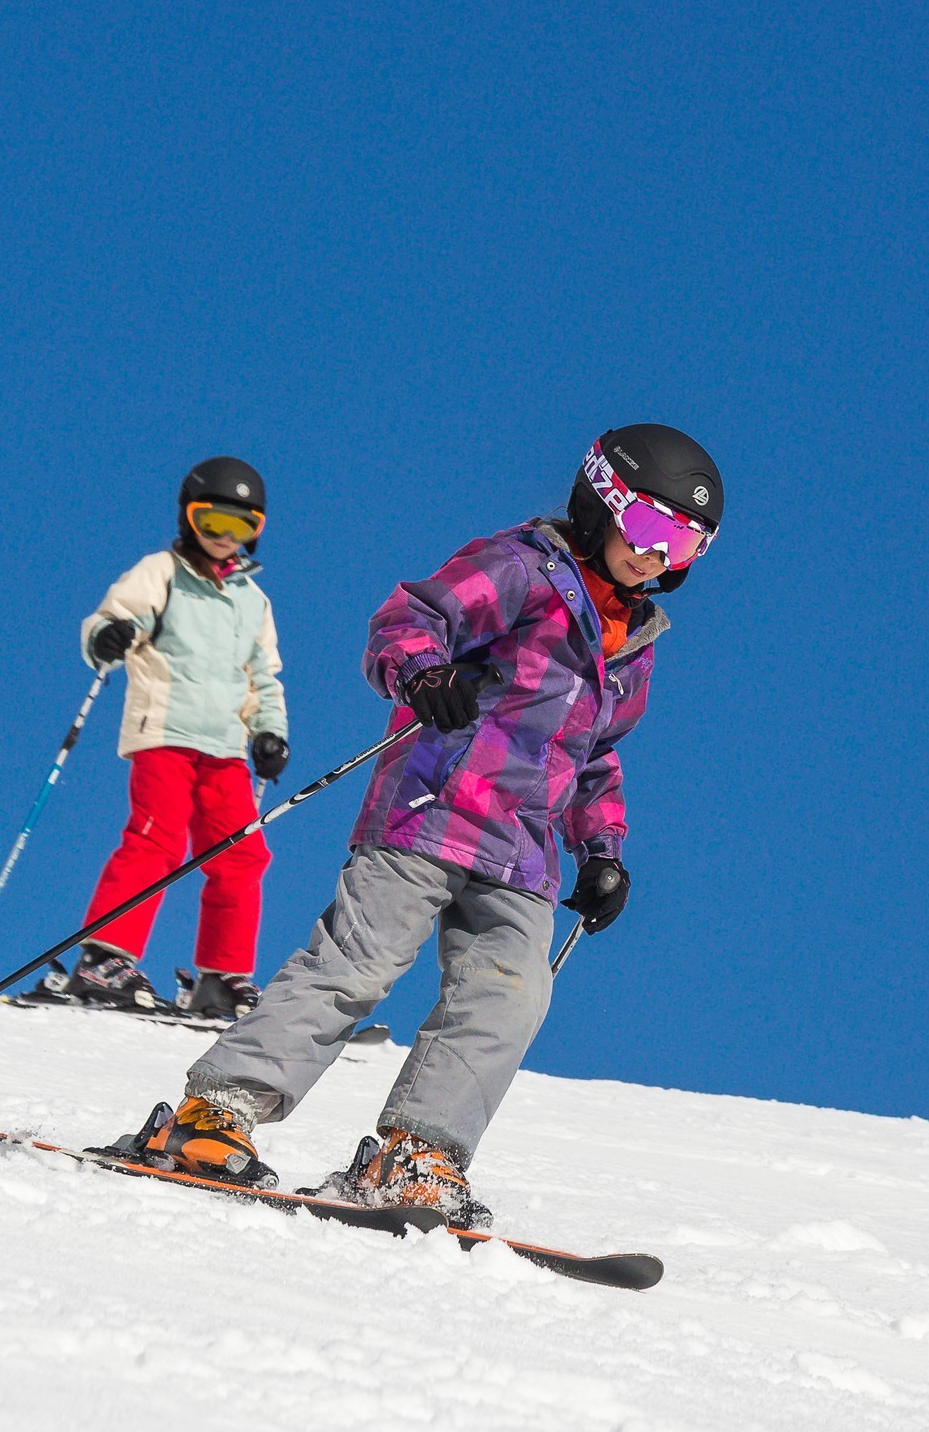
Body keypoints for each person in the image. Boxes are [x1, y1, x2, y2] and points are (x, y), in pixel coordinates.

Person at [133, 425, 723, 1223]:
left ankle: (416, 1153)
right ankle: (217, 1113)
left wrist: (602, 851)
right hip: (432, 810)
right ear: (601, 499)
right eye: (652, 528)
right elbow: (408, 618)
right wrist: (424, 674)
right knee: (357, 966)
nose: (660, 556)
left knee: (511, 998)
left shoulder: (634, 642)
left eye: (685, 544)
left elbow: (595, 759)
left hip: (523, 853)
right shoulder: (521, 568)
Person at [63, 456, 289, 1018]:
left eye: (240, 527)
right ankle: (104, 959)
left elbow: (265, 677)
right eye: (212, 522)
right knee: (156, 841)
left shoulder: (252, 602)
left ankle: (221, 978)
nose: (223, 538)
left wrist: (270, 733)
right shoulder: (160, 571)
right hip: (163, 732)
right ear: (190, 520)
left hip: (226, 749)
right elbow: (110, 619)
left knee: (242, 855)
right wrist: (109, 637)